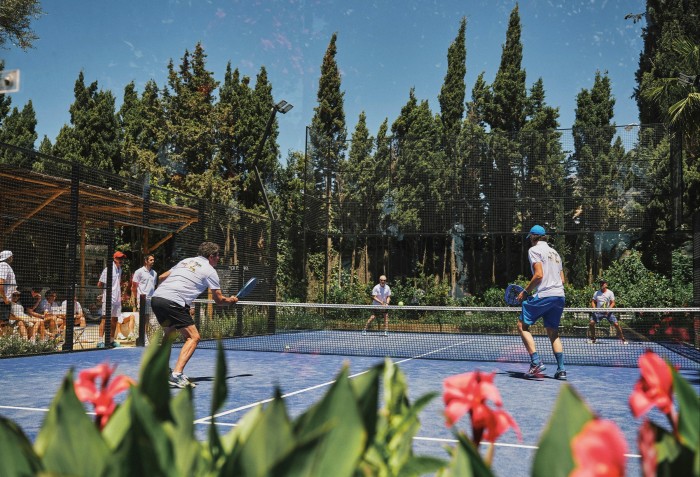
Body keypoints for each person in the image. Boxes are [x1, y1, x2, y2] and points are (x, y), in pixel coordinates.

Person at [151, 241, 239, 388]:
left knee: (170, 334)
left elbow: (161, 277)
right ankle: (176, 375)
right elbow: (219, 300)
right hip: (174, 302)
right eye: (218, 256)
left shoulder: (185, 261)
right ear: (211, 256)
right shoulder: (210, 270)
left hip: (157, 298)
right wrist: (231, 300)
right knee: (194, 337)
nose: (219, 259)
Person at [516, 225, 567, 380]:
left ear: (533, 237)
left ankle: (536, 362)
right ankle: (561, 370)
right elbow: (562, 279)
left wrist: (525, 292)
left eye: (530, 238)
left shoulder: (534, 250)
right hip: (560, 296)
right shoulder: (555, 253)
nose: (529, 241)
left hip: (546, 294)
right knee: (553, 332)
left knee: (521, 325)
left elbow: (538, 275)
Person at [97, 251, 127, 348]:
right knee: (105, 319)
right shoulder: (108, 270)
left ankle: (111, 340)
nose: (121, 260)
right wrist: (105, 294)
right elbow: (99, 284)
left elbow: (116, 284)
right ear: (114, 259)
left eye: (122, 258)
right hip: (108, 299)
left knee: (115, 320)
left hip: (117, 300)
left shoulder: (120, 270)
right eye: (119, 258)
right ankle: (100, 341)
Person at [589, 279, 627, 344]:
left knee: (616, 324)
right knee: (591, 323)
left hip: (608, 312)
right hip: (598, 312)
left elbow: (613, 303)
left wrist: (608, 309)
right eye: (601, 283)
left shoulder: (610, 293)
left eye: (603, 283)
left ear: (606, 284)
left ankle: (623, 339)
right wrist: (595, 309)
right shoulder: (596, 293)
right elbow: (593, 302)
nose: (601, 284)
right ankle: (593, 338)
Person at [132, 254, 158, 343]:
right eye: (151, 260)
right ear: (146, 261)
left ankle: (147, 338)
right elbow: (134, 287)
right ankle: (144, 339)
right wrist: (136, 299)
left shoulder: (154, 273)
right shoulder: (139, 272)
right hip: (143, 299)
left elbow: (153, 286)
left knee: (152, 321)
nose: (153, 261)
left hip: (152, 300)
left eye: (153, 260)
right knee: (144, 319)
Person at [0, 250, 17, 323]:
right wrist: (4, 298)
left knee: (4, 322)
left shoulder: (6, 266)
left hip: (6, 300)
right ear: (9, 257)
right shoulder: (3, 265)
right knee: (2, 322)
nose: (12, 258)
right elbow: (0, 282)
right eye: (11, 256)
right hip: (2, 301)